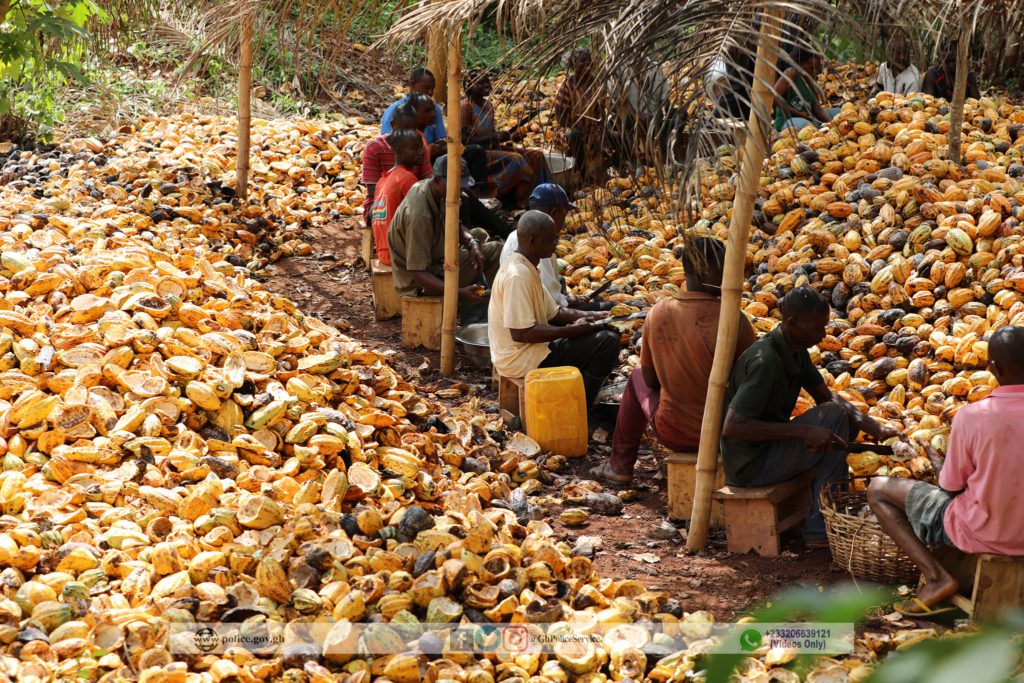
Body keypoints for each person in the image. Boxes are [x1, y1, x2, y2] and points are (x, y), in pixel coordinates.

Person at [720, 286, 903, 545]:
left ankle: (826, 519)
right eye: (817, 328)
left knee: (839, 420)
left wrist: (873, 426)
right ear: (792, 323)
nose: (823, 334)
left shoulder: (795, 349)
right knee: (832, 419)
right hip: (751, 466)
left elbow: (826, 396)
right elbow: (733, 426)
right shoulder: (766, 361)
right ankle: (821, 527)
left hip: (770, 449)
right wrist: (805, 431)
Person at [867, 325, 1024, 612]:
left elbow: (950, 487)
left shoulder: (972, 417)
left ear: (994, 368)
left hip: (985, 533)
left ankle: (937, 577)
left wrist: (937, 460)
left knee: (877, 489)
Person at [592, 238, 757, 484]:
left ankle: (620, 465)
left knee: (637, 374)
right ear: (704, 272)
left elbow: (650, 379)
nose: (728, 276)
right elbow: (751, 380)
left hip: (674, 432)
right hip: (726, 432)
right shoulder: (735, 319)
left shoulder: (658, 312)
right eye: (723, 269)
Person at [489, 211, 621, 412]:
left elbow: (554, 313)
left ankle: (577, 396)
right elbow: (522, 333)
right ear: (532, 241)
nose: (555, 243)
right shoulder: (518, 276)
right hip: (519, 359)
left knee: (606, 331)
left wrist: (597, 317)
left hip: (531, 350)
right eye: (551, 239)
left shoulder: (527, 267)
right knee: (607, 343)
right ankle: (578, 410)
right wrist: (573, 331)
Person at [388, 155, 502, 322]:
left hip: (433, 257)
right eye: (456, 185)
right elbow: (418, 273)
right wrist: (458, 293)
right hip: (420, 283)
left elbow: (455, 225)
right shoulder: (419, 215)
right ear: (437, 180)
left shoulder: (432, 190)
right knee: (497, 251)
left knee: (478, 235)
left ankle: (474, 305)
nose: (460, 191)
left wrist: (472, 244)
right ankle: (474, 318)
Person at [499, 184, 612, 312]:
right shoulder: (539, 244)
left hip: (541, 311)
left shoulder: (518, 235)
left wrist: (570, 299)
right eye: (565, 213)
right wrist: (583, 316)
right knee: (608, 309)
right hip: (542, 317)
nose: (565, 220)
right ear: (554, 213)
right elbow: (550, 304)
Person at [462, 69, 551, 208]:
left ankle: (542, 198)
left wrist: (507, 136)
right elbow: (463, 140)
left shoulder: (488, 106)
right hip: (478, 156)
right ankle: (494, 197)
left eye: (487, 81)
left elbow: (491, 134)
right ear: (469, 87)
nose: (486, 85)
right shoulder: (465, 106)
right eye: (481, 83)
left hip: (494, 149)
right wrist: (494, 136)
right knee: (516, 159)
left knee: (536, 155)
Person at [361, 103, 433, 229]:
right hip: (380, 204)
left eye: (412, 129)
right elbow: (373, 192)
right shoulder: (375, 147)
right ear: (393, 124)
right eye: (404, 129)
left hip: (413, 200)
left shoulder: (418, 148)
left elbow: (427, 181)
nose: (408, 134)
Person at [554, 47, 613, 181]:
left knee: (612, 139)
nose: (587, 64)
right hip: (570, 129)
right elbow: (561, 118)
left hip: (591, 129)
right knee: (574, 137)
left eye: (589, 61)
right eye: (582, 61)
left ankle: (602, 170)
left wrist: (604, 131)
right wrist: (578, 128)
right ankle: (581, 173)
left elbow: (601, 111)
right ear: (573, 64)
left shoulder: (596, 83)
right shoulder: (567, 86)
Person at [370, 129, 425, 266]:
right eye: (415, 148)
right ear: (399, 151)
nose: (421, 152)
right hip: (398, 255)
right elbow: (422, 217)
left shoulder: (383, 179)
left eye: (421, 147)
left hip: (384, 252)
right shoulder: (407, 179)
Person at [381, 67, 447, 155]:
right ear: (413, 84)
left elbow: (441, 139)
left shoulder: (434, 107)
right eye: (426, 88)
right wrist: (426, 150)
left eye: (432, 89)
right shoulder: (395, 110)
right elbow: (387, 146)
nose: (430, 92)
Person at [772, 47, 839, 132]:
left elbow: (817, 109)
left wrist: (832, 123)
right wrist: (797, 113)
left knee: (840, 112)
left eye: (817, 69)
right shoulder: (792, 73)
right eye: (812, 68)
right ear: (801, 64)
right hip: (787, 121)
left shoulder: (812, 79)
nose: (815, 72)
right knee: (805, 125)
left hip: (810, 120)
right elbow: (774, 96)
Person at [870, 30, 921, 98]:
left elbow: (909, 105)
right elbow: (877, 89)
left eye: (905, 52)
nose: (902, 57)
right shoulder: (884, 68)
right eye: (898, 53)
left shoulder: (914, 77)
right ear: (890, 53)